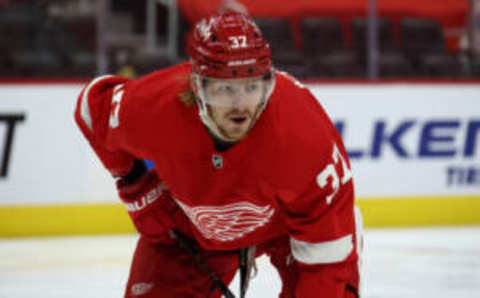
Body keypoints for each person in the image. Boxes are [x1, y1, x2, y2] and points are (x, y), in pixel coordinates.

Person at [74, 11, 363, 298]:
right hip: (193, 231)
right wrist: (136, 185)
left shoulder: (303, 135)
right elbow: (91, 108)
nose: (240, 106)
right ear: (198, 86)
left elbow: (327, 261)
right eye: (224, 89)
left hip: (288, 231)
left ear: (268, 85)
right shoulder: (156, 106)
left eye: (252, 87)